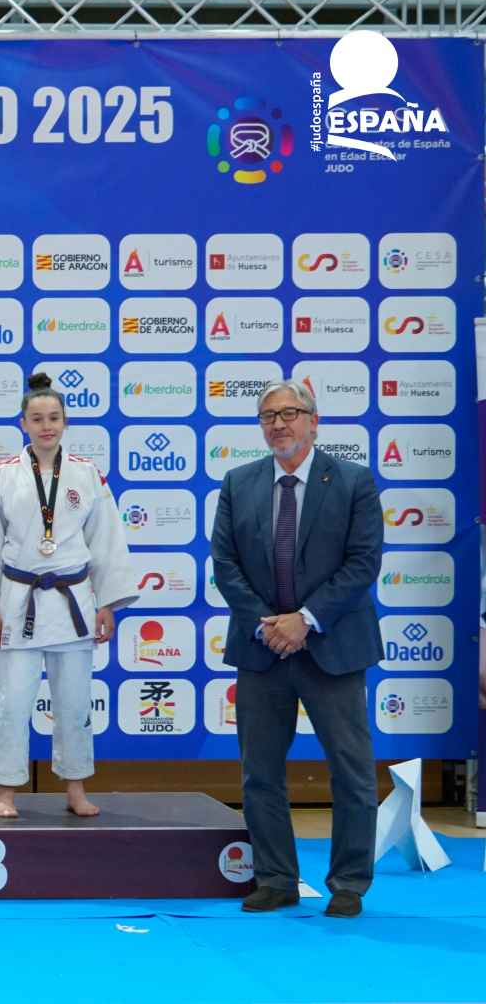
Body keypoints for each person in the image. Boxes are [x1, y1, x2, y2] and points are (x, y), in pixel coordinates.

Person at [212, 379, 382, 919]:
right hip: (263, 649)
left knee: (351, 772)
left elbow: (363, 562)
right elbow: (225, 565)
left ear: (314, 420)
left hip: (333, 646)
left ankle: (349, 883)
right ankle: (277, 878)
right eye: (268, 416)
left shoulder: (353, 480)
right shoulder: (239, 482)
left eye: (289, 413)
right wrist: (270, 626)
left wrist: (304, 621)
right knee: (259, 773)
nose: (279, 424)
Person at [0, 373, 137, 818]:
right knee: (12, 704)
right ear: (23, 424)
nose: (46, 426)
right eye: (37, 419)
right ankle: (5, 792)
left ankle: (75, 789)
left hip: (72, 602)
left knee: (74, 704)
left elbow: (107, 542)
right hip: (19, 601)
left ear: (65, 421)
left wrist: (108, 604)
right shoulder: (2, 476)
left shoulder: (87, 474)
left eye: (53, 417)